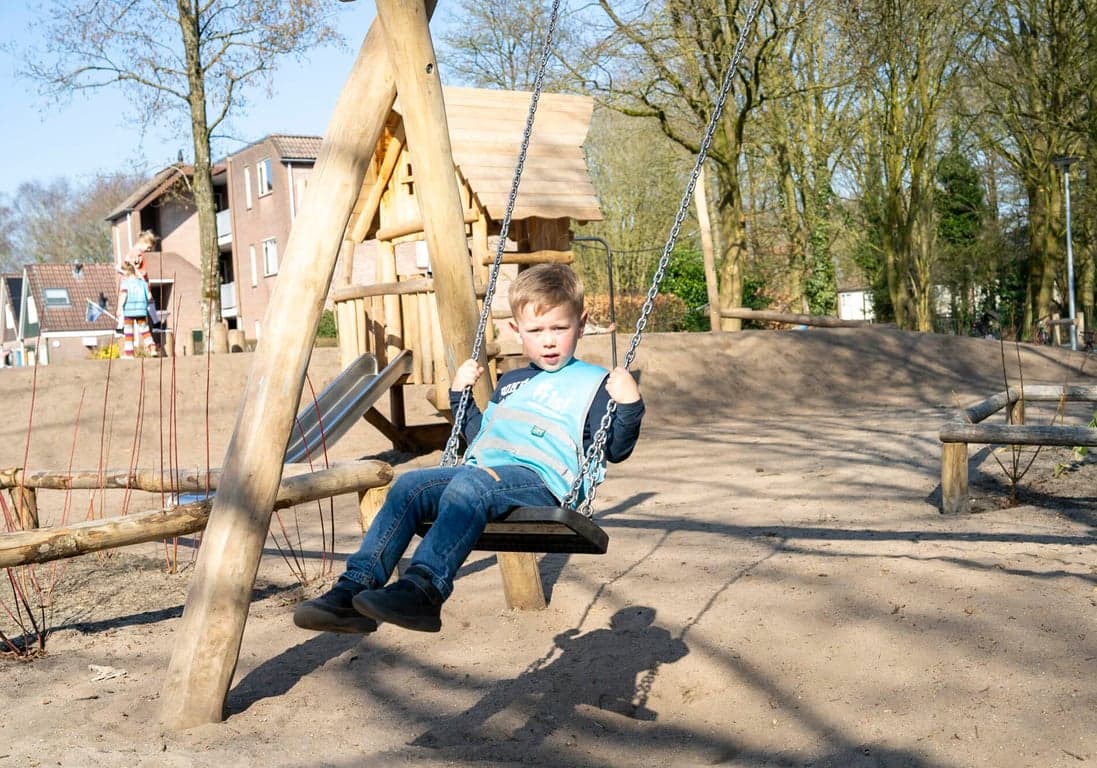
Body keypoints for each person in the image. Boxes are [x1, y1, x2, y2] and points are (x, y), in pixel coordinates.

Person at [294, 263, 645, 634]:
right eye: (536, 330)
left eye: (560, 327)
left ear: (581, 322)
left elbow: (616, 449)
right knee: (409, 487)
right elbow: (481, 438)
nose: (549, 340)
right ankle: (351, 592)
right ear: (515, 330)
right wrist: (460, 396)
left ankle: (423, 590)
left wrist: (629, 404)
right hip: (486, 475)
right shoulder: (512, 381)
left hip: (541, 483)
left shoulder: (594, 382)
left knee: (471, 486)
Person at [117, 262, 158, 358]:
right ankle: (152, 348)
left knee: (128, 332)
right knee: (145, 330)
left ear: (126, 273)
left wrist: (119, 308)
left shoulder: (125, 284)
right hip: (141, 311)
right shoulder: (143, 283)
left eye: (122, 274)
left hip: (129, 311)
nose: (121, 276)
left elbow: (123, 296)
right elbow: (149, 297)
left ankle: (129, 353)